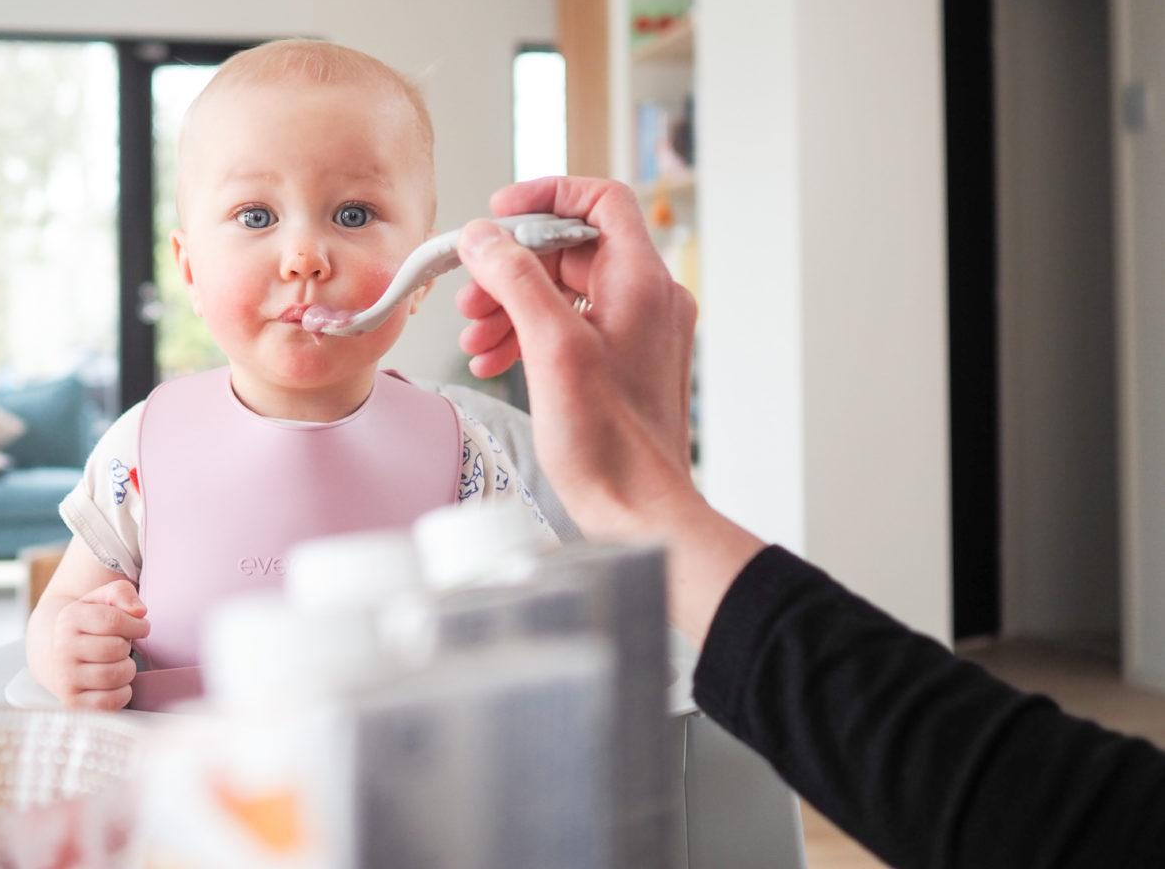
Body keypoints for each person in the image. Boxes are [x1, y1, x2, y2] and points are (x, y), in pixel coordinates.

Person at [452, 174, 1165, 867]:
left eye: (358, 214)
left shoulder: (488, 439)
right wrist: (654, 507)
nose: (330, 256)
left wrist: (644, 505)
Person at [26, 40, 552, 709]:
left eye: (353, 215)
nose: (304, 257)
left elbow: (545, 611)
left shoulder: (463, 452)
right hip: (192, 780)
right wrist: (65, 648)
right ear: (188, 268)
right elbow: (61, 607)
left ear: (424, 272)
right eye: (256, 216)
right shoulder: (141, 450)